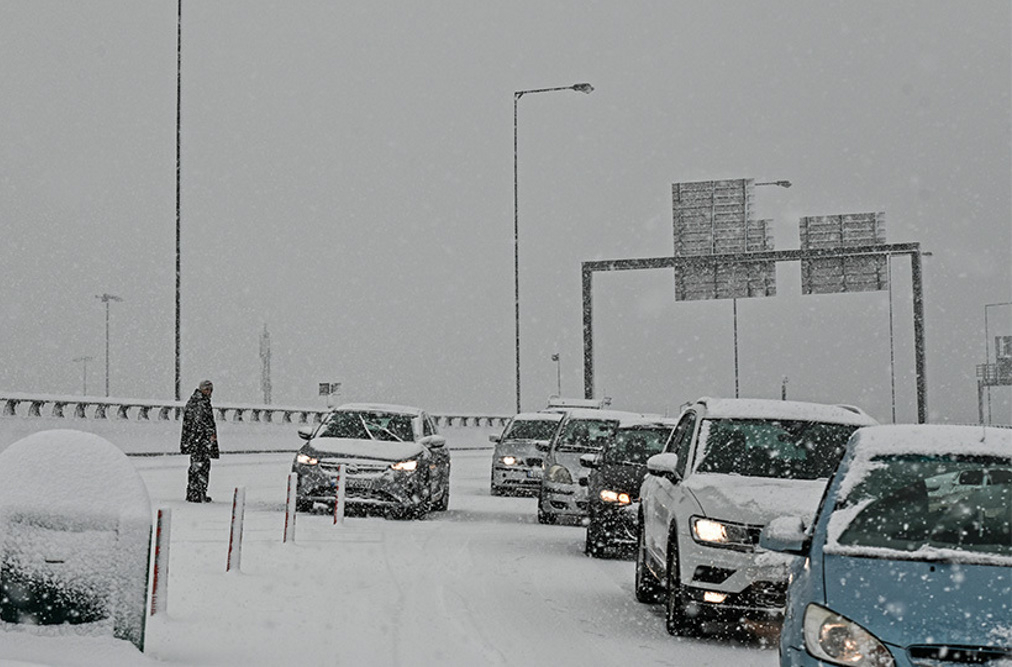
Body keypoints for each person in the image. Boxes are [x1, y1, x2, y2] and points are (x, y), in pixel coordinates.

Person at [180, 379, 219, 502]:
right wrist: (209, 435)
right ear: (201, 389)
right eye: (207, 389)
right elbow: (199, 423)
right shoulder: (200, 403)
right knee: (201, 466)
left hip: (196, 440)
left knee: (198, 466)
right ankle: (197, 493)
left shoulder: (197, 401)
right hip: (200, 441)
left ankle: (195, 492)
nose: (209, 392)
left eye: (210, 390)